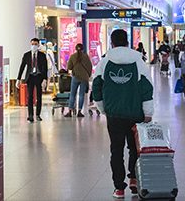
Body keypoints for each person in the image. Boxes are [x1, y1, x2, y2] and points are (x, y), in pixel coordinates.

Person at [92, 29, 154, 199]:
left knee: (116, 150)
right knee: (134, 148)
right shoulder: (139, 61)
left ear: (111, 44)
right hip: (135, 114)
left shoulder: (104, 62)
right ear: (127, 43)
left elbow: (96, 88)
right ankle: (134, 178)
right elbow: (147, 88)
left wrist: (103, 108)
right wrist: (148, 112)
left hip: (114, 114)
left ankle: (119, 188)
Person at [16, 38, 48, 122]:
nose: (34, 46)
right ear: (30, 45)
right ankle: (30, 115)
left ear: (38, 45)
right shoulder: (26, 55)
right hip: (30, 77)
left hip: (39, 77)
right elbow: (22, 67)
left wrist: (45, 79)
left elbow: (45, 68)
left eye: (35, 44)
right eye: (32, 44)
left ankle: (38, 114)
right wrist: (18, 78)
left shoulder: (42, 55)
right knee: (30, 97)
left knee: (39, 96)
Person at [65, 43, 93, 118]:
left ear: (75, 49)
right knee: (81, 95)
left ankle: (70, 111)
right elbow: (90, 66)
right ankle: (79, 112)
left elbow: (69, 67)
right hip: (84, 78)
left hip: (75, 77)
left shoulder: (72, 56)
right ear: (83, 49)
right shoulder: (86, 57)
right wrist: (88, 75)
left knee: (72, 94)